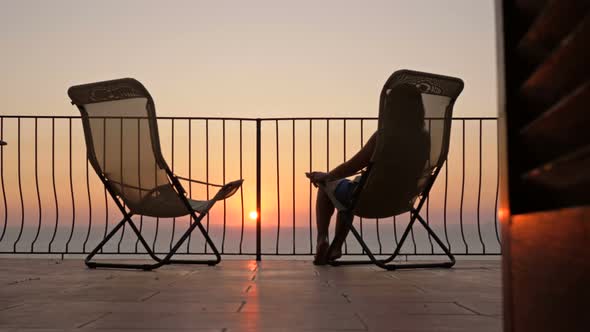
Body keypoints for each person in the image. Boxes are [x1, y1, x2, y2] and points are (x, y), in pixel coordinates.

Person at [306, 83, 429, 265]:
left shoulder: (384, 136)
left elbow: (351, 166)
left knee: (330, 189)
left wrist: (326, 176)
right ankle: (335, 248)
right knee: (348, 195)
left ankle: (323, 239)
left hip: (368, 198)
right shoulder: (424, 139)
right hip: (403, 199)